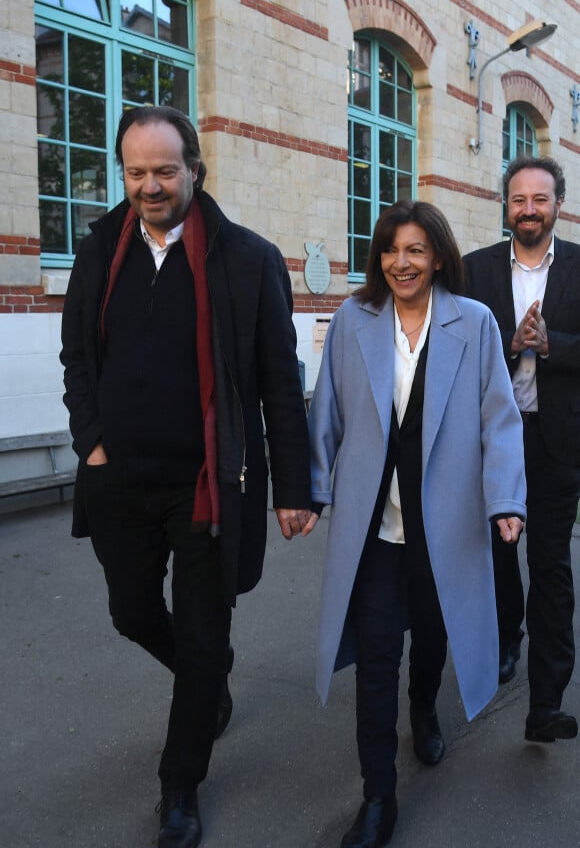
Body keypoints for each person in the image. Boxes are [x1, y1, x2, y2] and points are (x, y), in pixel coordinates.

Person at [60, 105, 311, 848]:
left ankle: (180, 785)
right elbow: (77, 355)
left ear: (195, 169)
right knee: (132, 614)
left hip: (211, 486)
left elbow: (276, 385)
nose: (149, 186)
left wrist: (294, 488)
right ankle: (208, 682)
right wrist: (92, 442)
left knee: (201, 641)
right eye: (135, 172)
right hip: (119, 482)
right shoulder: (100, 246)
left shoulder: (247, 259)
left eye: (164, 170)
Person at [303, 201, 526, 848]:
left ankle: (424, 704)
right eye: (391, 250)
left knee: (431, 635)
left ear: (438, 256)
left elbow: (500, 420)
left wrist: (505, 500)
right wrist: (311, 493)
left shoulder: (474, 322)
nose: (402, 262)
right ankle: (379, 798)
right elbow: (329, 411)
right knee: (376, 657)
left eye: (417, 250)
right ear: (378, 257)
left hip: (444, 525)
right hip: (373, 528)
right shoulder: (354, 319)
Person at [464, 155, 580, 744]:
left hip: (559, 442)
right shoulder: (475, 270)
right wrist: (510, 348)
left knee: (551, 565)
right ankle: (507, 635)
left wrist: (550, 343)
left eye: (540, 198)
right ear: (505, 206)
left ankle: (547, 700)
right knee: (495, 554)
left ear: (558, 203)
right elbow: (453, 349)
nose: (529, 209)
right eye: (518, 200)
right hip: (492, 440)